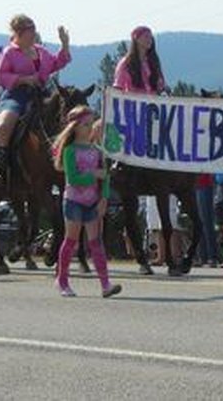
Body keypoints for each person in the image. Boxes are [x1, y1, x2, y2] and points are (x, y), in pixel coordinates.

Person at [0, 14, 71, 190]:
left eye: (34, 28)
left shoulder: (41, 51)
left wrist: (64, 44)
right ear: (19, 32)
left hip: (41, 94)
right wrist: (23, 79)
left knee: (63, 118)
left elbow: (57, 63)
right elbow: (2, 76)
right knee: (5, 125)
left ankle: (66, 161)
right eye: (30, 29)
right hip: (16, 95)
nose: (34, 32)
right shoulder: (9, 52)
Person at [112, 25, 167, 275]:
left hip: (152, 116)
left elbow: (160, 87)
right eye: (145, 36)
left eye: (150, 35)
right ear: (136, 39)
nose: (149, 39)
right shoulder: (126, 64)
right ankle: (119, 163)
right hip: (133, 118)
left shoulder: (154, 63)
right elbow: (118, 89)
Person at [53, 105, 122, 298]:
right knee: (71, 240)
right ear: (75, 126)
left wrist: (104, 198)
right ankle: (62, 280)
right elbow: (73, 178)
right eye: (86, 124)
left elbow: (106, 177)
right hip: (74, 201)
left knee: (96, 242)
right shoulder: (69, 151)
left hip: (93, 201)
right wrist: (93, 174)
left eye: (91, 123)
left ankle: (105, 284)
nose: (90, 127)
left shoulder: (98, 151)